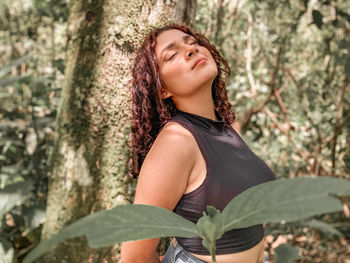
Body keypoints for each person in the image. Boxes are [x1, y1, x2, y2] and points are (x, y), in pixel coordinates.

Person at [121, 23, 276, 263]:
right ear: (162, 90)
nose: (191, 50)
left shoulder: (228, 128)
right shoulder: (176, 142)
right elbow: (135, 256)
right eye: (171, 55)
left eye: (192, 43)